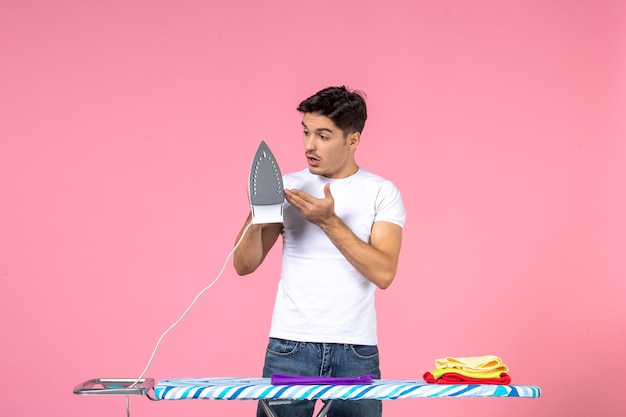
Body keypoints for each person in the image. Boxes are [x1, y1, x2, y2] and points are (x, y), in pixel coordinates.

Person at [233, 86, 406, 417]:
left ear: (352, 140)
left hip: (356, 351)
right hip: (290, 346)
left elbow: (384, 273)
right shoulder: (288, 186)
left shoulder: (381, 192)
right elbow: (244, 265)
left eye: (323, 136)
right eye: (306, 133)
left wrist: (328, 221)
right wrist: (260, 210)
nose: (309, 146)